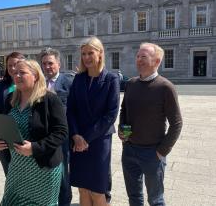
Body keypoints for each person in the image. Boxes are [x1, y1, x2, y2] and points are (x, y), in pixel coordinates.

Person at [0, 59, 68, 206]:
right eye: (15, 73)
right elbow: (3, 125)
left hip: (43, 168)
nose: (17, 76)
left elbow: (61, 132)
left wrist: (34, 148)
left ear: (35, 76)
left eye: (22, 72)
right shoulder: (10, 99)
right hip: (17, 166)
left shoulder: (49, 99)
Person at [119, 42, 183, 206]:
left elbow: (176, 123)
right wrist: (123, 133)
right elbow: (124, 111)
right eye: (138, 56)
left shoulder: (165, 87)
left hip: (152, 153)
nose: (139, 60)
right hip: (130, 150)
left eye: (144, 57)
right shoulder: (131, 84)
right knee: (134, 197)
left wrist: (162, 151)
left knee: (155, 200)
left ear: (157, 61)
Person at [67, 36, 120, 206]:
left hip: (98, 140)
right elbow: (71, 110)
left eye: (91, 53)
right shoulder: (78, 79)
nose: (87, 57)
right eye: (83, 54)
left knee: (97, 190)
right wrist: (75, 135)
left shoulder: (111, 79)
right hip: (77, 139)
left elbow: (111, 114)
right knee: (82, 188)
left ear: (100, 54)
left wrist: (86, 138)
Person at [40, 47, 73, 206]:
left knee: (62, 173)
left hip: (62, 137)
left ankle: (64, 202)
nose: (47, 67)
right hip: (43, 136)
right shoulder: (39, 83)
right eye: (44, 63)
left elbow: (75, 110)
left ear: (58, 64)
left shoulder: (68, 82)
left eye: (51, 63)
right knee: (46, 171)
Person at [0, 52, 25, 176]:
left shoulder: (29, 84)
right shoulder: (1, 86)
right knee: (10, 175)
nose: (12, 68)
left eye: (15, 64)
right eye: (9, 65)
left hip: (25, 137)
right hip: (5, 138)